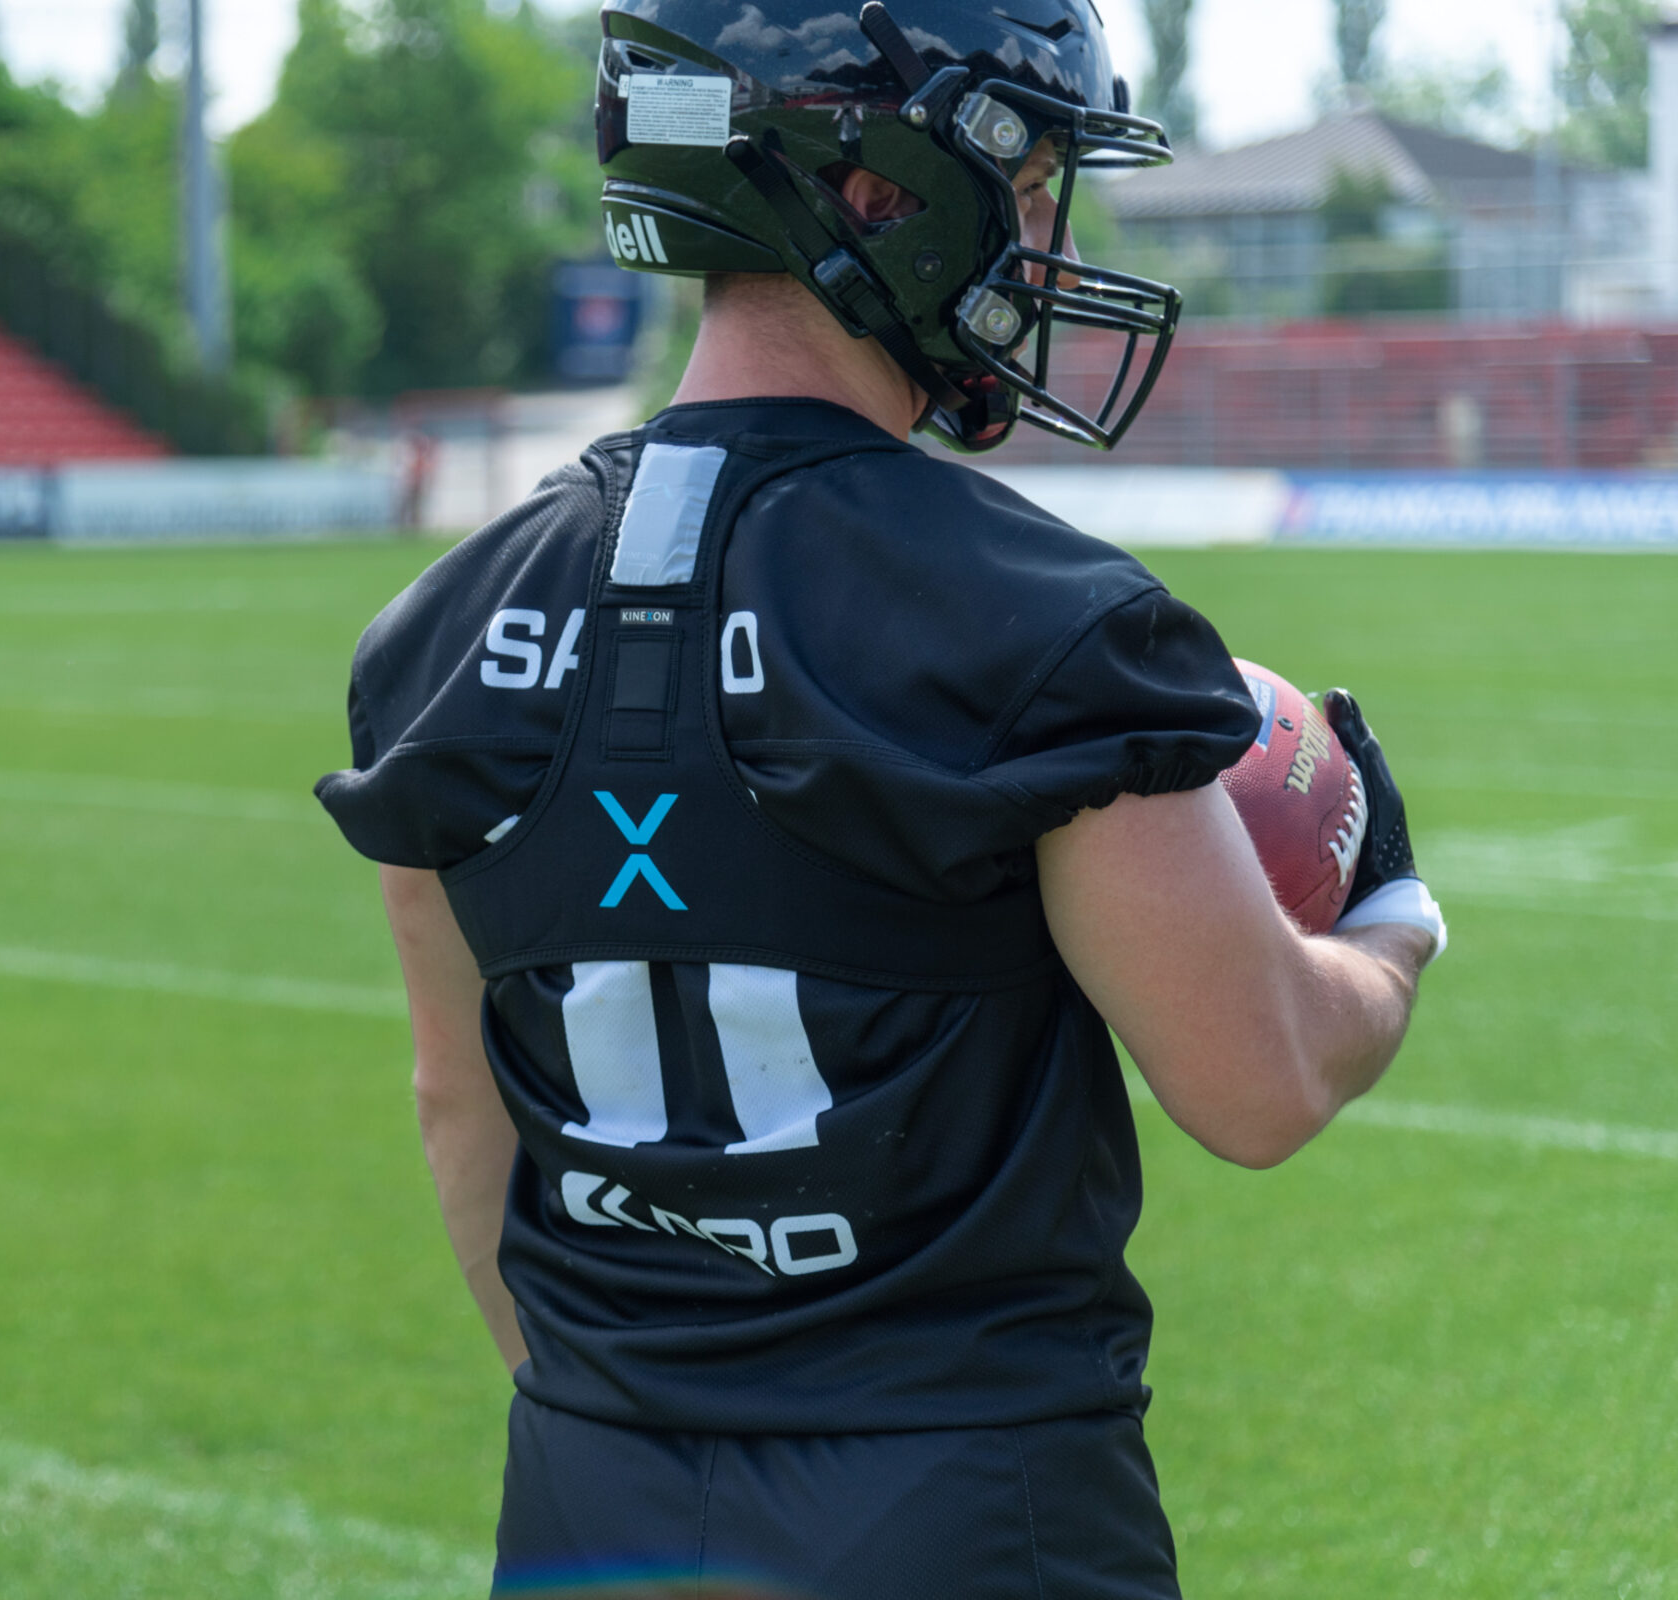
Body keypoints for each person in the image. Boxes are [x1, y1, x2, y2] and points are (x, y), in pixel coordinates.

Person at [314, 2, 1449, 1593]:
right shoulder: (1047, 624)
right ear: (879, 189)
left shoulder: (430, 637)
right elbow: (1255, 1084)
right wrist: (1388, 916)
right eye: (1033, 179)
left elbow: (463, 1116)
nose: (1045, 237)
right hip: (968, 1510)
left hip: (589, 1503)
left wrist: (629, 1413)